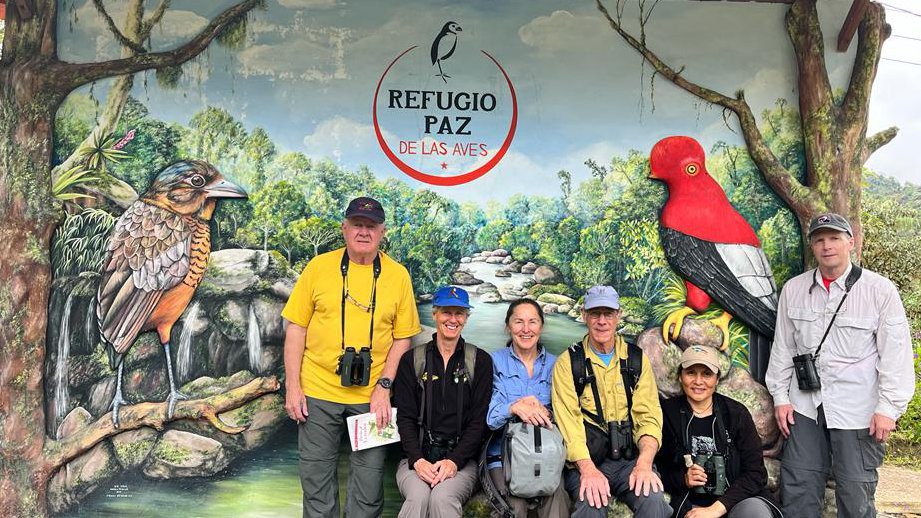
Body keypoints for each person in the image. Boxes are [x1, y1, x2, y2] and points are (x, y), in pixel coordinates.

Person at [765, 213, 914, 518]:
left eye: (834, 238)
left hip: (858, 409)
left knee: (855, 492)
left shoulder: (880, 291)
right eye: (819, 239)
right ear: (812, 246)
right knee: (798, 488)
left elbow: (896, 354)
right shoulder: (794, 289)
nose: (827, 246)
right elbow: (783, 348)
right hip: (805, 407)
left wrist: (889, 408)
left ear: (851, 242)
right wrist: (780, 397)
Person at [281, 196, 421, 518]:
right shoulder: (318, 268)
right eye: (357, 224)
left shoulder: (398, 275)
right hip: (317, 391)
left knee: (369, 486)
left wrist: (384, 387)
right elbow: (296, 329)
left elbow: (403, 338)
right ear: (344, 229)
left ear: (382, 232)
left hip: (373, 397)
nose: (363, 232)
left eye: (371, 226)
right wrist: (293, 386)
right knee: (315, 481)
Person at [552, 285, 672, 518]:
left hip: (630, 459)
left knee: (654, 501)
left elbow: (648, 416)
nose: (602, 321)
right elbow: (569, 424)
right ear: (584, 315)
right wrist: (587, 470)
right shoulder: (569, 363)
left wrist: (645, 464)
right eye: (595, 314)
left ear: (618, 315)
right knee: (590, 505)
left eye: (608, 313)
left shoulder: (636, 359)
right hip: (588, 459)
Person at [393, 286, 494, 518]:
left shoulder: (480, 361)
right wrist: (417, 460)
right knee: (417, 498)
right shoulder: (413, 360)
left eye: (459, 313)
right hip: (416, 458)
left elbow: (478, 423)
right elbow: (405, 418)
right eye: (447, 312)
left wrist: (453, 462)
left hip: (462, 462)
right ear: (435, 314)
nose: (453, 319)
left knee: (442, 497)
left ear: (466, 318)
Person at [657, 345, 781, 518]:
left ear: (717, 379)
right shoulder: (667, 413)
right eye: (691, 372)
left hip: (735, 502)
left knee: (755, 513)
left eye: (707, 374)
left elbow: (756, 474)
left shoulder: (736, 413)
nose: (698, 381)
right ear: (680, 376)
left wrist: (716, 509)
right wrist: (683, 479)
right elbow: (658, 467)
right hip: (690, 505)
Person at [484, 299, 570, 518]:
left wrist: (546, 413)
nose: (525, 329)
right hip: (504, 458)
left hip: (546, 455)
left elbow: (567, 417)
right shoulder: (493, 362)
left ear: (541, 326)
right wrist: (515, 407)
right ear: (508, 326)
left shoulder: (557, 365)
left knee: (556, 498)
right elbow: (490, 418)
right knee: (514, 506)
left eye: (532, 322)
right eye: (518, 322)